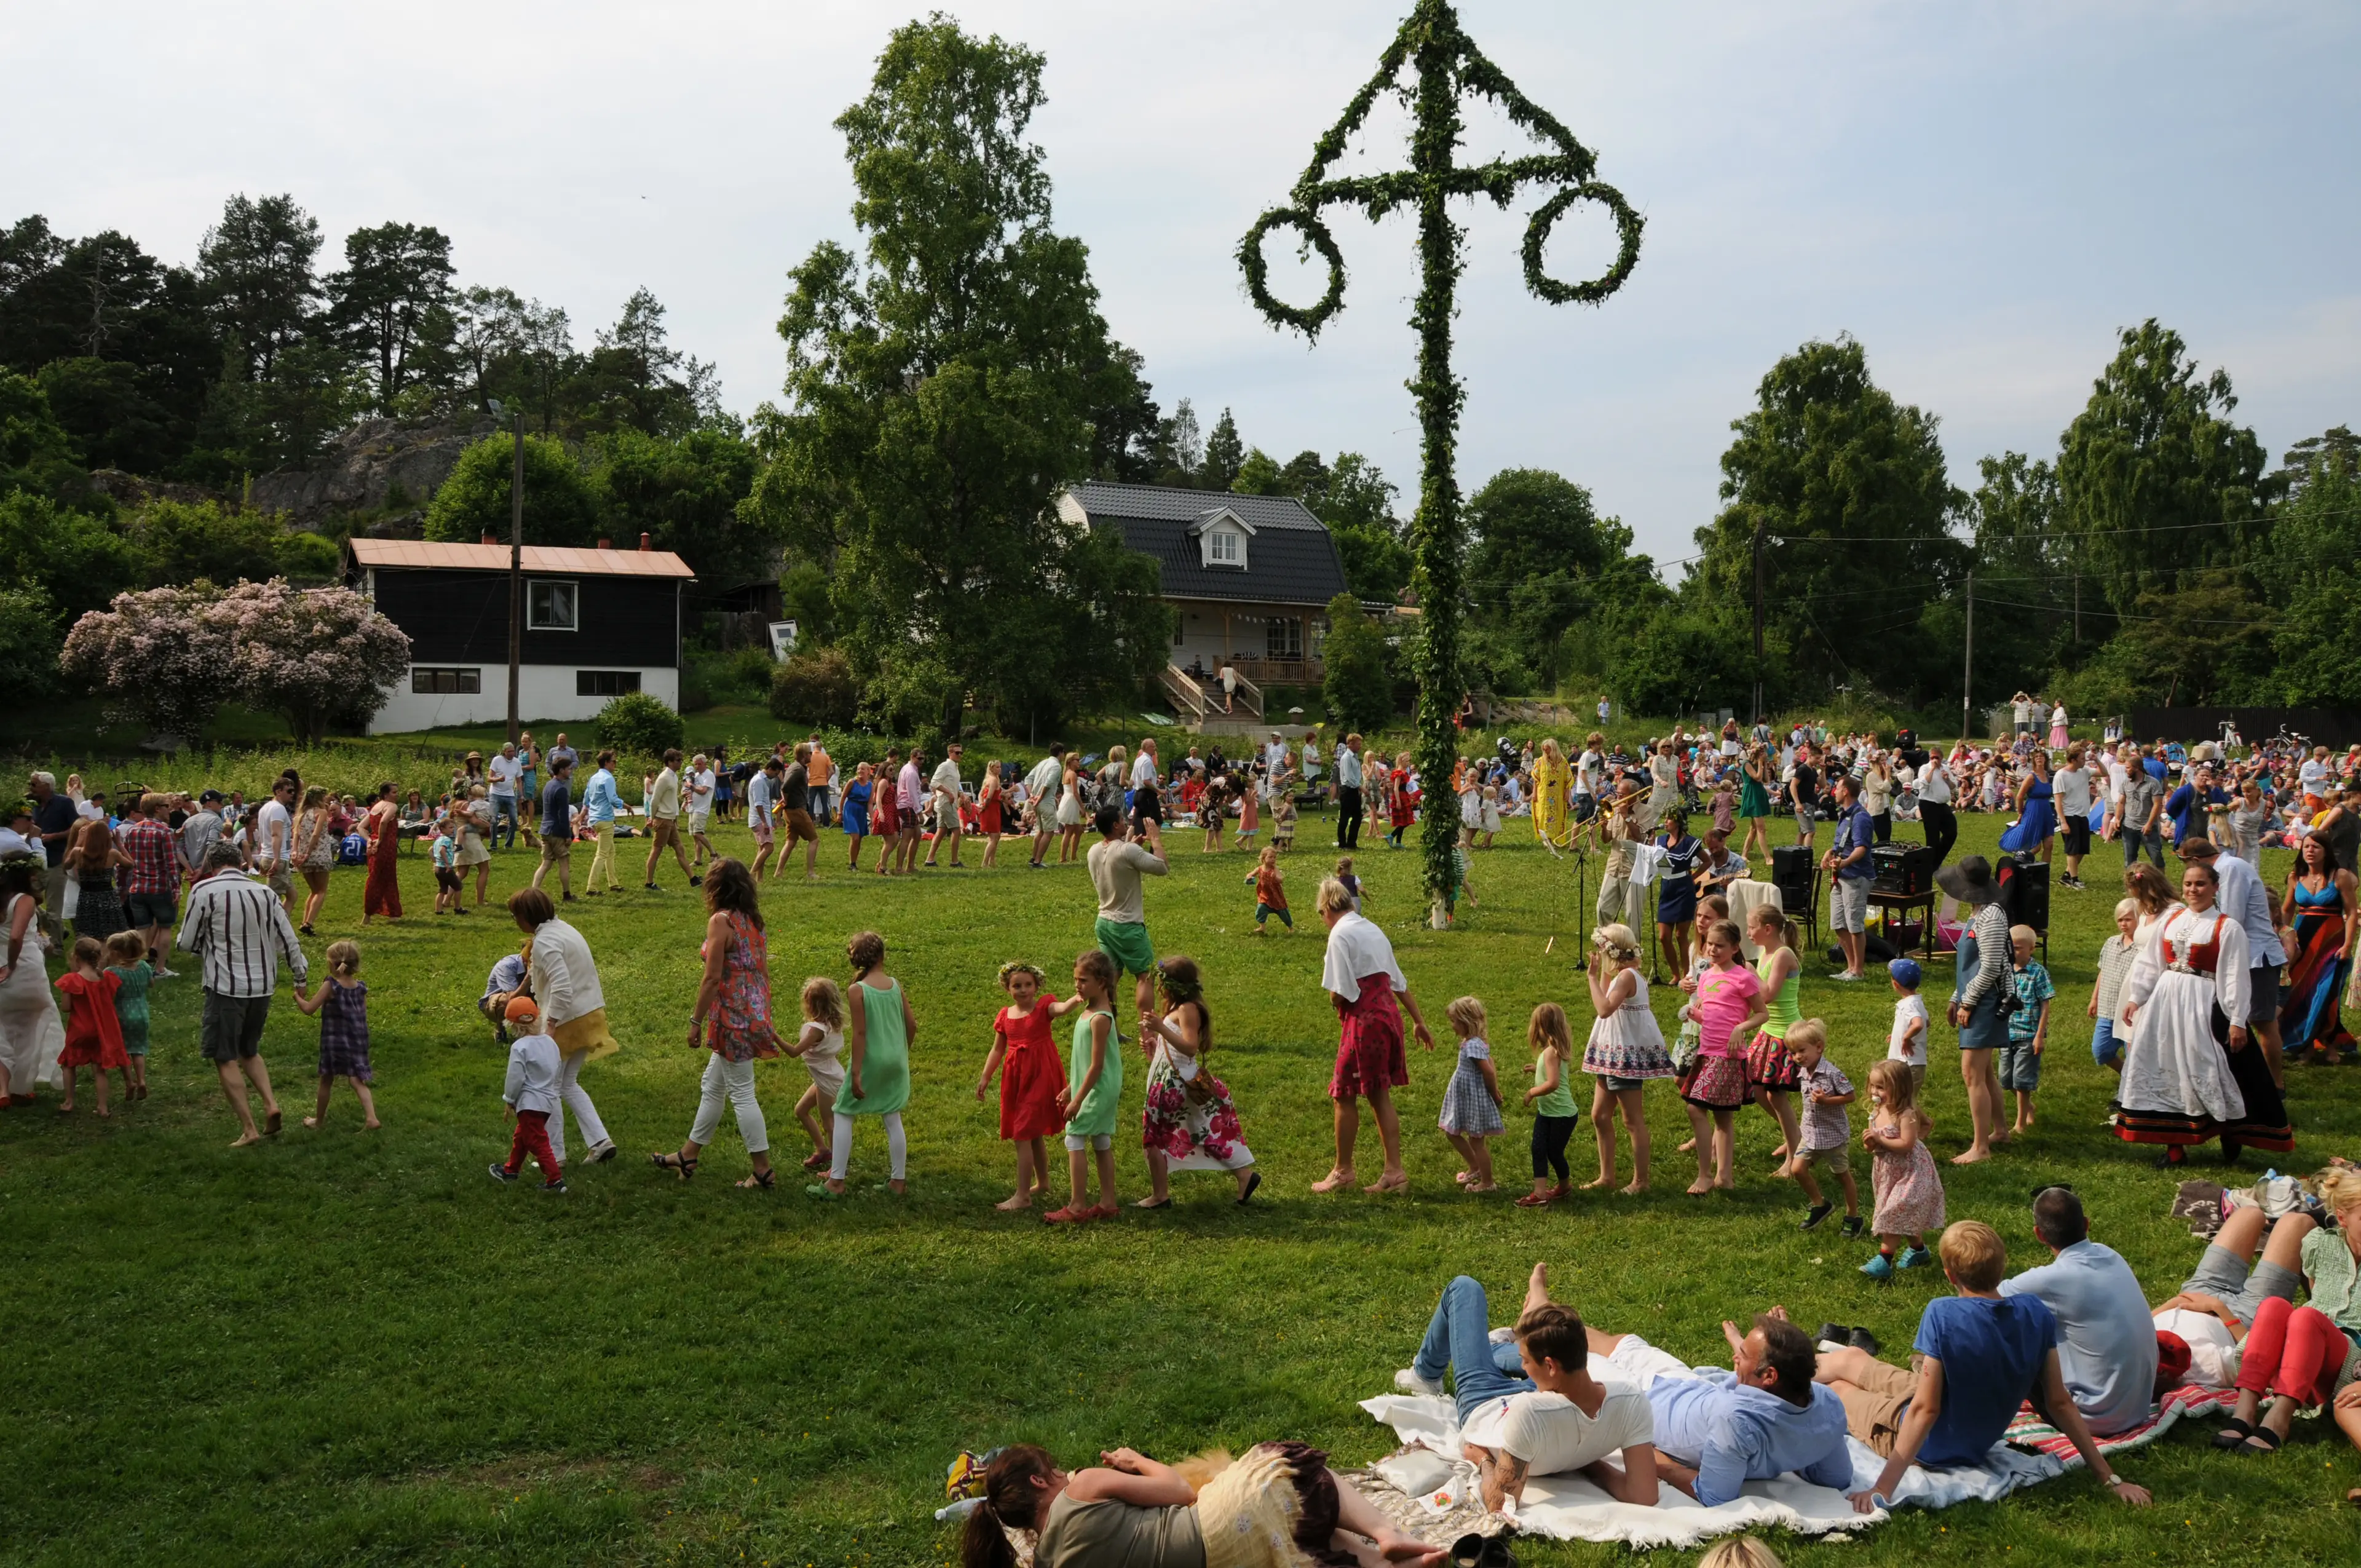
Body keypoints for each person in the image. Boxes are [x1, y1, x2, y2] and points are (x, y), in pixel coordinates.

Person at [1817, 1222, 2151, 1514]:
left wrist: (1883, 1488)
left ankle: (1772, 1380)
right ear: (2002, 1267)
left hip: (1933, 1447)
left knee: (1837, 1391)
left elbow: (1926, 1409)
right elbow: (2060, 1402)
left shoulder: (1943, 1314)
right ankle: (1785, 1363)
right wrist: (2110, 1478)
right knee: (1853, 1358)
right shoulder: (2035, 1312)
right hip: (1960, 1425)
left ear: (1949, 1275)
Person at [1393, 1265, 1658, 1511]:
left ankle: (1426, 1375)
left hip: (1485, 1402)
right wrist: (1589, 1462)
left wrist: (1483, 1460)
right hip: (1548, 1390)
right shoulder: (1631, 1401)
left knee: (1465, 1288)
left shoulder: (1530, 1414)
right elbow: (1643, 1495)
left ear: (1550, 1366)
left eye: (1526, 1361)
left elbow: (1499, 1503)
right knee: (1522, 1359)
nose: (1524, 1364)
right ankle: (1513, 1339)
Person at [959, 1441, 1444, 1568]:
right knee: (1291, 1468)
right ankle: (1387, 1533)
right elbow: (1180, 1491)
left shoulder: (1047, 1561)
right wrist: (1136, 1460)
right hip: (1215, 1524)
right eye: (1055, 1468)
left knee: (1309, 1538)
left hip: (1229, 1562)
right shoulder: (1081, 1487)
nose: (1065, 1471)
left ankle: (1398, 1562)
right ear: (1042, 1481)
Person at [1572, 1293, 1853, 1507]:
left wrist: (1658, 1463)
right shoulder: (1826, 1404)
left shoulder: (1737, 1422)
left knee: (1578, 1350)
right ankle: (1544, 1309)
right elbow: (1836, 1477)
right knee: (1621, 1343)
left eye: (1742, 1354)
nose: (1734, 1359)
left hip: (1642, 1397)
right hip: (1693, 1389)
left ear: (1769, 1376)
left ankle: (1539, 1316)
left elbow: (1713, 1495)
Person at [2114, 858, 2294, 1166]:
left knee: (2214, 1069)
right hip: (2166, 1003)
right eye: (2188, 884)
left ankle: (2229, 1130)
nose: (2193, 889)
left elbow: (2235, 975)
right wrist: (2137, 997)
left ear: (2215, 888)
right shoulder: (2173, 920)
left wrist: (2237, 1020)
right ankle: (2174, 1148)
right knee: (2164, 1066)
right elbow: (2152, 961)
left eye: (2200, 884)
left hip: (2204, 1002)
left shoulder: (2228, 927)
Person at [2213, 1166, 2361, 1473]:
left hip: (2352, 1367)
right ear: (2343, 1219)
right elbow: (2317, 1291)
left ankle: (2279, 1419)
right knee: (2274, 1307)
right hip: (2307, 1354)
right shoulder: (2321, 1243)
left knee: (2307, 1317)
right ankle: (2245, 1412)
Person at [651, 859, 781, 1190]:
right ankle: (688, 1154)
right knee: (713, 1085)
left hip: (731, 1017)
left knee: (742, 1092)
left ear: (715, 888)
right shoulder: (753, 921)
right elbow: (763, 971)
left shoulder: (720, 922)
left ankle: (763, 1169)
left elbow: (711, 979)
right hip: (752, 1011)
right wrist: (764, 1013)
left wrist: (695, 1022)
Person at [1997, 1187, 2157, 1438]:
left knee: (2013, 1328)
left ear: (2039, 1234)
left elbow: (1987, 1297)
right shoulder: (2111, 1255)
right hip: (2138, 1408)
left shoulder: (2049, 1280)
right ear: (2086, 1224)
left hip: (2089, 1419)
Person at [178, 839, 307, 1147]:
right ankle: (271, 1103)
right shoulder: (265, 892)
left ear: (211, 865)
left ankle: (249, 1128)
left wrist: (203, 945)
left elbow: (186, 942)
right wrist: (300, 976)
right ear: (240, 862)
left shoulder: (203, 892)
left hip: (225, 986)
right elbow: (288, 938)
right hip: (263, 985)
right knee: (249, 1049)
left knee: (224, 1056)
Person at [1314, 876, 1438, 1196]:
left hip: (1364, 1021)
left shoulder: (1340, 934)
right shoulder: (1372, 928)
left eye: (1321, 915)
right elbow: (1397, 981)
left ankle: (1343, 1171)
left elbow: (1338, 992)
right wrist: (1419, 1020)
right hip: (1389, 1017)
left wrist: (1335, 1004)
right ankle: (1394, 1172)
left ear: (1328, 908)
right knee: (1379, 1094)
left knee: (1343, 1093)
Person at [507, 885, 619, 1166]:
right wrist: (519, 993)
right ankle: (600, 1142)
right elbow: (537, 970)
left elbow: (562, 987)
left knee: (548, 1088)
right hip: (590, 1013)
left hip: (568, 1020)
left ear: (527, 916)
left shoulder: (545, 942)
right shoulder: (561, 930)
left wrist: (551, 1025)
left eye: (515, 916)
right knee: (567, 1083)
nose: (514, 921)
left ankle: (555, 1154)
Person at [1136, 954, 1257, 1208]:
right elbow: (1176, 1045)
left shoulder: (1187, 1009)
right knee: (1204, 1132)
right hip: (1172, 1078)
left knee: (1154, 1137)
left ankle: (1160, 1195)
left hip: (1174, 1084)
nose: (1159, 988)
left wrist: (1161, 1029)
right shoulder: (1177, 1008)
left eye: (1162, 983)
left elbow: (1190, 1047)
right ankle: (1245, 1176)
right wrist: (1155, 1044)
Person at [812, 930, 916, 1198]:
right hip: (896, 1059)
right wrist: (902, 1052)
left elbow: (860, 1034)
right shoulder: (895, 984)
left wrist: (856, 1072)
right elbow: (912, 1025)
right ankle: (898, 1181)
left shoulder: (857, 990)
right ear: (882, 955)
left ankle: (836, 1182)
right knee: (892, 1115)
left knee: (844, 1111)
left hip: (872, 1061)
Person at [1675, 919, 1767, 1195]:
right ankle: (1724, 1177)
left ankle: (1705, 1175)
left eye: (1720, 945)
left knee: (1696, 1108)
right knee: (1722, 1117)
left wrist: (1741, 1027)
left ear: (1735, 947)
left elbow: (1763, 1013)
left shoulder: (1743, 977)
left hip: (1727, 1056)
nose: (1713, 950)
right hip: (1706, 1052)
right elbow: (1712, 1017)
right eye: (1710, 944)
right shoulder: (1707, 977)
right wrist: (1693, 1014)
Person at [1581, 924, 1674, 1194]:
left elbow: (1604, 1009)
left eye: (1601, 948)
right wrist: (1602, 976)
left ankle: (1641, 1181)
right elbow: (1605, 998)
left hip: (1625, 1057)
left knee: (1632, 1120)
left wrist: (1591, 976)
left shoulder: (1628, 977)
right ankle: (1607, 1176)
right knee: (1599, 1115)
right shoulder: (1622, 974)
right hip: (1610, 1054)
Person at [1939, 856, 2012, 1165]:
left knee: (1972, 1073)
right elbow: (1971, 966)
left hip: (1985, 1001)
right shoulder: (1979, 912)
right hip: (1976, 997)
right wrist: (1957, 997)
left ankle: (1980, 1147)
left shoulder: (1992, 916)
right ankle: (2000, 1130)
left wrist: (1968, 1002)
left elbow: (1991, 967)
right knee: (1984, 1072)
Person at [978, 959, 1063, 1211]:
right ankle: (1043, 1183)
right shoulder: (1005, 1016)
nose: (1023, 990)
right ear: (1008, 988)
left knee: (1023, 1134)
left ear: (1037, 986)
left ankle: (1023, 1195)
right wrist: (985, 1076)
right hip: (1016, 1079)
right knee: (1033, 1133)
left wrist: (1075, 1002)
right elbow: (997, 1049)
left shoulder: (1044, 1007)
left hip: (1040, 1076)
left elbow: (1059, 1009)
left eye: (1028, 984)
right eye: (1017, 985)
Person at [1045, 947, 1120, 1222]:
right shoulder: (1090, 1010)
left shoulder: (1100, 1018)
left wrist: (1078, 1100)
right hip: (1093, 1086)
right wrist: (1071, 1089)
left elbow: (1097, 1065)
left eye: (1083, 980)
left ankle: (1077, 1206)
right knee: (1100, 1139)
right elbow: (1084, 1062)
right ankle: (1108, 1202)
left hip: (1098, 1088)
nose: (1077, 985)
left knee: (1074, 1136)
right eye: (1076, 979)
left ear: (1101, 982)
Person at [2277, 831, 2357, 1066]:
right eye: (2307, 847)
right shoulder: (2295, 877)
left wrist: (2347, 945)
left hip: (2332, 942)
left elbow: (2351, 912)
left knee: (2327, 994)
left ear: (2326, 851)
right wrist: (2281, 938)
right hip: (2303, 942)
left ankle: (2330, 1043)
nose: (2310, 851)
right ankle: (2307, 1046)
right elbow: (2287, 910)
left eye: (2316, 847)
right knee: (2302, 992)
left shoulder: (2339, 876)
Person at [1858, 1058, 1944, 1280]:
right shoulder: (1876, 1112)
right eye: (1873, 1086)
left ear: (1899, 1089)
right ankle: (1918, 1250)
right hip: (1887, 1171)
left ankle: (1884, 1261)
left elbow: (1906, 1145)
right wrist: (1870, 1143)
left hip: (1911, 1171)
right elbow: (1874, 1145)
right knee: (1901, 1212)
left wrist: (1881, 1140)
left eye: (1881, 1087)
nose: (1875, 1091)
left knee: (1895, 1210)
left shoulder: (1906, 1115)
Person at [1086, 805, 1166, 1017]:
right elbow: (1161, 867)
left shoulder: (1093, 850)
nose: (1126, 822)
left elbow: (1115, 861)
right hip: (1127, 926)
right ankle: (1147, 1032)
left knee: (1109, 979)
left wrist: (1132, 847)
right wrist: (1155, 840)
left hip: (1103, 923)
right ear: (1115, 825)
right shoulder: (1127, 850)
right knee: (1146, 976)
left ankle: (1108, 1029)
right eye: (1122, 820)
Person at [1742, 904, 1806, 1166]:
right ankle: (1796, 1136)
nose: (1748, 933)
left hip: (1786, 1034)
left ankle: (1794, 1157)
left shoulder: (1782, 955)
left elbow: (1767, 994)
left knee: (1775, 1095)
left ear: (1768, 929)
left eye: (1751, 927)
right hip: (1768, 1031)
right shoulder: (1765, 951)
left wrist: (1748, 970)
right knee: (1757, 1091)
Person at [1784, 1019, 1861, 1235]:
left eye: (1802, 1050)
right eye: (1793, 1052)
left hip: (1833, 1136)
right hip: (1810, 1133)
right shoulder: (1804, 1072)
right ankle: (1820, 1204)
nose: (1798, 1057)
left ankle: (1853, 1216)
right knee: (1797, 1169)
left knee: (1842, 1176)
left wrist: (1828, 1101)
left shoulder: (1833, 1073)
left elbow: (1851, 1096)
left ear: (1819, 1047)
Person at [293, 938, 378, 1131]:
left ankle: (319, 1121)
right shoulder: (360, 988)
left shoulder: (331, 985)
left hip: (334, 1041)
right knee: (357, 1079)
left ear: (332, 964)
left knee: (326, 1079)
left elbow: (309, 1009)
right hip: (358, 1040)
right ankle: (371, 1118)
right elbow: (362, 1014)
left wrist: (298, 997)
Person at [491, 996, 566, 1194]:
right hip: (547, 1102)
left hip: (529, 1104)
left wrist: (509, 1099)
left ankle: (555, 1180)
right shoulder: (550, 1043)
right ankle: (511, 1170)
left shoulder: (520, 1047)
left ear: (512, 1025)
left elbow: (515, 1078)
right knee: (522, 1137)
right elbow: (556, 1067)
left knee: (538, 1142)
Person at [1436, 994, 1504, 1194]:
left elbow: (1489, 1070)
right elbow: (1491, 1062)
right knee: (1452, 1132)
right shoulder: (1473, 1042)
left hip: (1473, 1098)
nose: (1452, 1025)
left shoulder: (1473, 1045)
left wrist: (1495, 1094)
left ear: (1466, 1022)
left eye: (1454, 1021)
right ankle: (1475, 1168)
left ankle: (1487, 1182)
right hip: (1465, 1097)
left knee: (1476, 1141)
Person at [53, 935, 127, 1117]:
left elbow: (66, 1008)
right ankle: (103, 1107)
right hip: (99, 1030)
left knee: (69, 1064)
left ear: (76, 958)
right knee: (99, 1069)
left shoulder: (72, 980)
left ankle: (69, 1101)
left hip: (79, 1030)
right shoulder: (106, 978)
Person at [786, 977, 847, 1172]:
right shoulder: (832, 1024)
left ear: (811, 1004)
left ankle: (838, 1168)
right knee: (801, 1111)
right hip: (828, 1074)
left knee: (830, 1123)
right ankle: (822, 1150)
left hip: (827, 1080)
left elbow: (794, 1052)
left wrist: (772, 1036)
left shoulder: (815, 1031)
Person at [117, 792, 181, 973]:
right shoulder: (165, 832)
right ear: (157, 809)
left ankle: (134, 966)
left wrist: (122, 886)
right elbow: (171, 864)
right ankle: (160, 968)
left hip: (137, 887)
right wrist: (176, 888)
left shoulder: (132, 831)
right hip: (160, 888)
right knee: (165, 927)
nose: (169, 810)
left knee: (141, 929)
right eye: (166, 806)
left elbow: (125, 862)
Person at [2001, 924, 2054, 1136]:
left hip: (2028, 1035)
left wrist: (2039, 1035)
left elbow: (2045, 1004)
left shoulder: (2037, 972)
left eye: (2020, 948)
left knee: (2022, 1080)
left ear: (2032, 949)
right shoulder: (2005, 970)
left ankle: (2020, 1122)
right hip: (2006, 1034)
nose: (2015, 952)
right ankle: (2028, 1107)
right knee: (2006, 1079)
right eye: (2011, 947)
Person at [1821, 774, 1876, 981]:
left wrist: (1844, 863)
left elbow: (1862, 848)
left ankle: (1858, 971)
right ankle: (1851, 967)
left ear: (1846, 791)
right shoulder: (1844, 815)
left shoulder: (1860, 817)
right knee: (1838, 923)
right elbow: (1842, 845)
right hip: (1841, 876)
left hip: (1856, 877)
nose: (1834, 791)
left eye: (1837, 787)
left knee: (1854, 925)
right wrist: (1830, 853)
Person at [101, 930, 152, 1102]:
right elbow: (151, 984)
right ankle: (142, 1080)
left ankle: (129, 1082)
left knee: (123, 1050)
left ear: (116, 953)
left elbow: (108, 995)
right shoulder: (144, 966)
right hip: (141, 1012)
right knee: (138, 1049)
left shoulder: (112, 972)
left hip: (121, 1014)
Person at [641, 748, 697, 892]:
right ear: (670, 762)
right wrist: (652, 818)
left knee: (680, 848)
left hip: (670, 820)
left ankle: (693, 879)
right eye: (678, 760)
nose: (681, 763)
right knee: (656, 851)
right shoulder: (664, 777)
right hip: (663, 820)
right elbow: (654, 801)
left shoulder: (674, 777)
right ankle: (649, 882)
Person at [1999, 748, 2057, 865]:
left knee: (2049, 843)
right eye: (2037, 757)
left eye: (2041, 756)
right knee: (2036, 846)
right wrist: (2020, 812)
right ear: (2034, 760)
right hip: (2033, 810)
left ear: (2045, 759)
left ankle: (2044, 870)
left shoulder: (2047, 775)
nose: (2039, 758)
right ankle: (2019, 863)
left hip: (2046, 810)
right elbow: (2020, 796)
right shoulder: (2031, 777)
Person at [529, 755, 577, 898]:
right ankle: (567, 895)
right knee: (564, 863)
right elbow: (563, 815)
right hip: (557, 831)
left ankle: (533, 892)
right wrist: (568, 835)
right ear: (561, 770)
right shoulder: (561, 790)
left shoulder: (549, 785)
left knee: (546, 863)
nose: (570, 771)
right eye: (569, 769)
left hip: (545, 829)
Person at [775, 743, 822, 884]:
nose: (811, 756)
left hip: (791, 811)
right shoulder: (798, 770)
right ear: (804, 755)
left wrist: (785, 803)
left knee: (790, 842)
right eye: (809, 753)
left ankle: (778, 872)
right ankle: (811, 873)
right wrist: (786, 800)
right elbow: (785, 787)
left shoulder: (796, 767)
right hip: (797, 810)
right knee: (814, 840)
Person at [358, 782, 403, 924]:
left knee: (380, 878)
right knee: (381, 879)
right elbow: (384, 822)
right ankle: (368, 914)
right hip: (386, 847)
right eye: (394, 792)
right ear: (385, 794)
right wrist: (380, 839)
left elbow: (361, 827)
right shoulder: (391, 806)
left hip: (374, 847)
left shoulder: (375, 808)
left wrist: (370, 840)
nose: (397, 795)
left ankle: (393, 913)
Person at [577, 750, 621, 895]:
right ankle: (592, 887)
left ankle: (613, 883)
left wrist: (582, 815)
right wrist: (625, 805)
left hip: (595, 819)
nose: (615, 764)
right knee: (602, 854)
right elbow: (612, 799)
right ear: (607, 763)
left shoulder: (594, 778)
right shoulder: (608, 779)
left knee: (610, 851)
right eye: (614, 762)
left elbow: (586, 800)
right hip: (605, 819)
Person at [1886, 957, 1928, 1099]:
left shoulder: (1908, 1005)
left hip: (1907, 1065)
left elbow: (1918, 1024)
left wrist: (1906, 1037)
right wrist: (1899, 1033)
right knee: (1908, 1101)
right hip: (1914, 1064)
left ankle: (1916, 1122)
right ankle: (1924, 1122)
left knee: (1902, 1102)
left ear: (1896, 984)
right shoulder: (1917, 1002)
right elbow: (1927, 1023)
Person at [2121, 748, 2165, 869]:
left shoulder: (2153, 783)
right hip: (2129, 826)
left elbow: (2157, 804)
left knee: (2156, 858)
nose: (2126, 771)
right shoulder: (2126, 783)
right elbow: (2121, 803)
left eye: (2128, 768)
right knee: (2129, 860)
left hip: (2148, 827)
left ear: (2137, 768)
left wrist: (2149, 824)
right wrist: (2117, 819)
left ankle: (2161, 885)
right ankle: (2131, 884)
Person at [1023, 745, 1066, 869]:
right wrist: (1040, 797)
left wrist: (1032, 795)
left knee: (1040, 831)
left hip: (1037, 802)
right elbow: (1049, 783)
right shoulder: (1056, 766)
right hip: (1046, 802)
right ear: (1060, 753)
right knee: (1049, 832)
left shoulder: (1043, 763)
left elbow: (1028, 779)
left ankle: (1033, 858)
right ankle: (1037, 861)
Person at [925, 742, 967, 868]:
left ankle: (929, 860)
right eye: (957, 752)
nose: (960, 755)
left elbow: (951, 784)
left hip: (950, 801)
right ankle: (954, 861)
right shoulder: (945, 766)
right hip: (945, 801)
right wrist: (948, 792)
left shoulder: (955, 767)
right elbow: (934, 782)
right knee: (956, 830)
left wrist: (959, 793)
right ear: (950, 753)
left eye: (961, 753)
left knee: (941, 831)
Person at [1915, 747, 1957, 865]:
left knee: (1951, 833)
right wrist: (1933, 769)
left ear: (1942, 758)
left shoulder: (1946, 769)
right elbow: (1924, 782)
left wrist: (1947, 779)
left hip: (1943, 805)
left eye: (1936, 758)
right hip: (1929, 804)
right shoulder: (1925, 768)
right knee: (1932, 837)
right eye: (1932, 758)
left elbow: (1954, 787)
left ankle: (1936, 859)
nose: (1934, 760)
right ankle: (1930, 865)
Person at [487, 742, 523, 849]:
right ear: (504, 752)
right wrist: (498, 779)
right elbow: (489, 778)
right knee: (493, 820)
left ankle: (509, 845)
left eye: (513, 751)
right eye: (509, 752)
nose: (512, 754)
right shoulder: (497, 760)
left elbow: (519, 781)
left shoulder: (517, 762)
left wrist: (521, 795)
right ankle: (493, 845)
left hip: (510, 794)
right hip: (496, 793)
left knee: (514, 820)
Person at [1334, 732, 1365, 850]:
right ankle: (1342, 843)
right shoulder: (1346, 758)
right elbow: (1349, 777)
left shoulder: (1355, 757)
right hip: (1347, 790)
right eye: (1358, 744)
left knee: (1358, 817)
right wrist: (1361, 787)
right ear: (1350, 744)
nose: (1360, 746)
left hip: (1355, 791)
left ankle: (1352, 842)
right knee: (1345, 818)